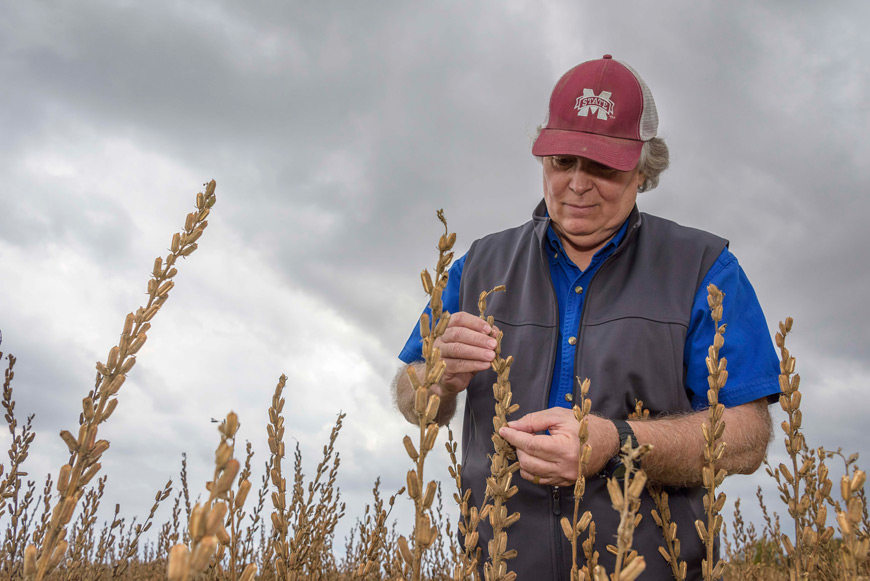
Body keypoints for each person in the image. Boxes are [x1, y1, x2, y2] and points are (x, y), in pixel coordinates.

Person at [393, 55, 780, 579]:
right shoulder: (476, 266)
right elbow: (413, 397)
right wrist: (436, 380)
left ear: (644, 171)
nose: (577, 184)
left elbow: (749, 436)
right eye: (561, 161)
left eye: (602, 165)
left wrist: (617, 444)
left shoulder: (706, 271)